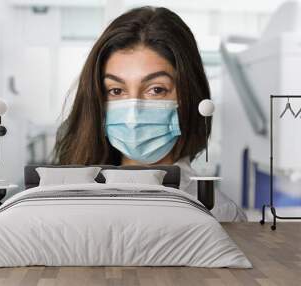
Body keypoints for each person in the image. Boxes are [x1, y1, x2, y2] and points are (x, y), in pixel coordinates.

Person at [53, 6, 246, 222]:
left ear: (188, 97)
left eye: (156, 90)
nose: (133, 114)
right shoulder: (67, 200)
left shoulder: (219, 214)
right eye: (116, 91)